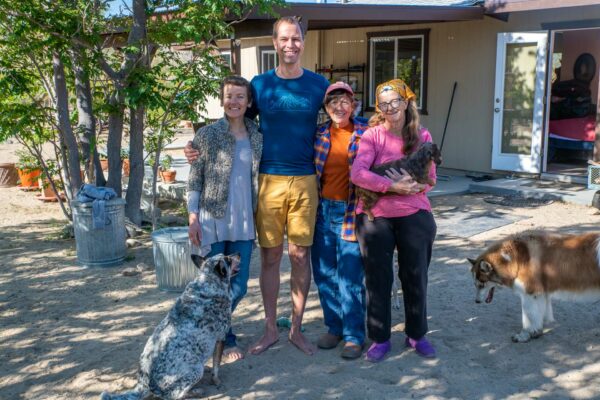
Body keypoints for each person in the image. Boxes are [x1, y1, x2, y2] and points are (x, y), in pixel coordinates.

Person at [185, 16, 329, 355]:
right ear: (275, 43)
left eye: (296, 38)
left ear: (303, 42)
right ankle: (269, 330)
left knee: (299, 255)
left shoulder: (318, 84)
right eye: (284, 39)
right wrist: (198, 144)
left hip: (306, 180)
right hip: (267, 181)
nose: (290, 44)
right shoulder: (260, 85)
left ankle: (295, 328)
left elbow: (343, 117)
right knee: (270, 257)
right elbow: (235, 122)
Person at [350, 79, 438, 362]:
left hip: (413, 209)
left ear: (406, 102)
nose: (390, 108)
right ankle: (380, 337)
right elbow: (358, 173)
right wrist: (391, 186)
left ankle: (416, 333)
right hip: (377, 211)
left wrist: (413, 187)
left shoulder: (422, 137)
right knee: (378, 277)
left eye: (395, 102)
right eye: (384, 104)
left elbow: (431, 180)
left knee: (415, 274)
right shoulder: (372, 136)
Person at [187, 75, 262, 361]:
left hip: (244, 223)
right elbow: (194, 179)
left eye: (240, 97)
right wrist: (193, 217)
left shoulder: (257, 136)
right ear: (222, 99)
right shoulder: (206, 134)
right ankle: (226, 338)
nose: (234, 101)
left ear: (249, 102)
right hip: (212, 221)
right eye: (229, 96)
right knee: (213, 284)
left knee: (239, 285)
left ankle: (205, 327)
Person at [312, 81, 368, 359]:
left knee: (350, 277)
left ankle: (354, 335)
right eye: (333, 102)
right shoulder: (319, 133)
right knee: (324, 274)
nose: (339, 106)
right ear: (326, 107)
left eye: (344, 101)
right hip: (322, 211)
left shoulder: (367, 132)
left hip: (352, 211)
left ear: (354, 104)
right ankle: (334, 327)